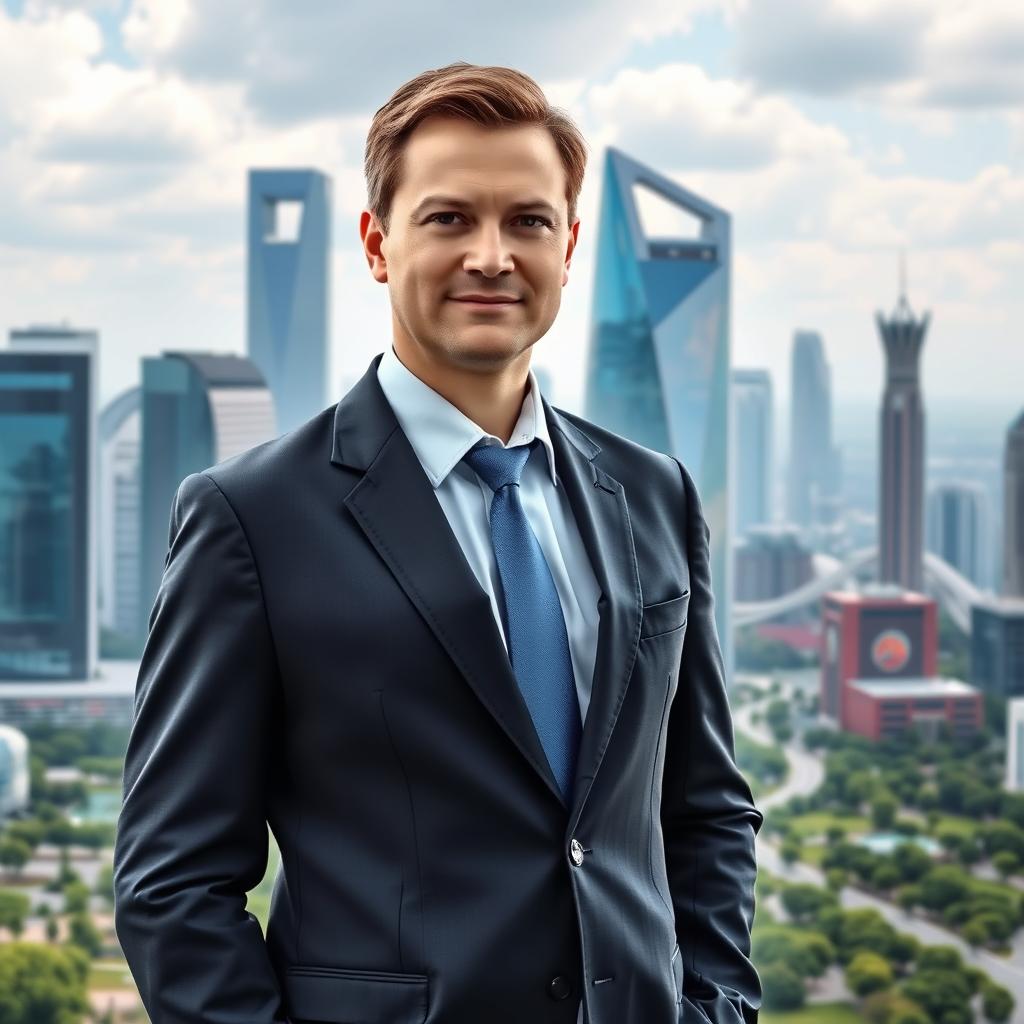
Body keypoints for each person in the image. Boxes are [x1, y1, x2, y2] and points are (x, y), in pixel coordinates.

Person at [113, 60, 763, 1024]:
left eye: (528, 221)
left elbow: (703, 807)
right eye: (450, 218)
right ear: (379, 244)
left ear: (571, 245)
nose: (493, 256)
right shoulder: (249, 519)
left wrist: (717, 1008)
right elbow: (172, 883)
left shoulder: (654, 494)